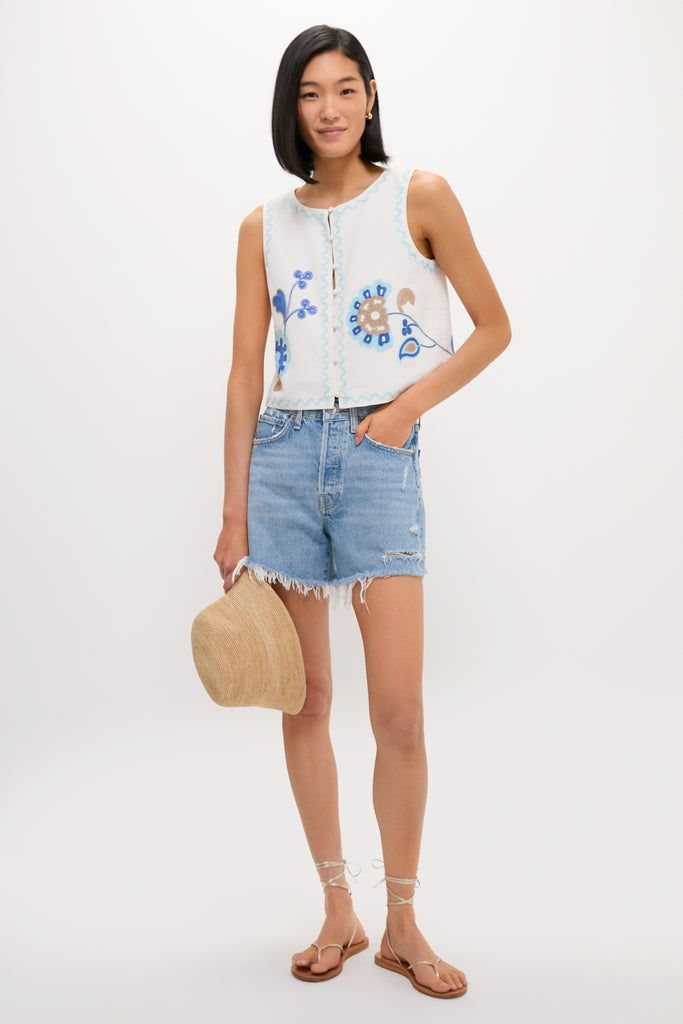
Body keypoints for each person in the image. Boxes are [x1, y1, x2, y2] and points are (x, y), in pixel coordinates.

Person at [213, 24, 510, 999]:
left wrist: (403, 411)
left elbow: (492, 326)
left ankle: (402, 921)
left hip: (380, 461)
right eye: (310, 93)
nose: (330, 109)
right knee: (304, 701)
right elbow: (244, 371)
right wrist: (233, 511)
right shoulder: (262, 226)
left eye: (345, 89)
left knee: (400, 715)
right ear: (290, 108)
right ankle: (337, 909)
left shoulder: (420, 195)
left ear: (371, 97)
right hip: (282, 463)